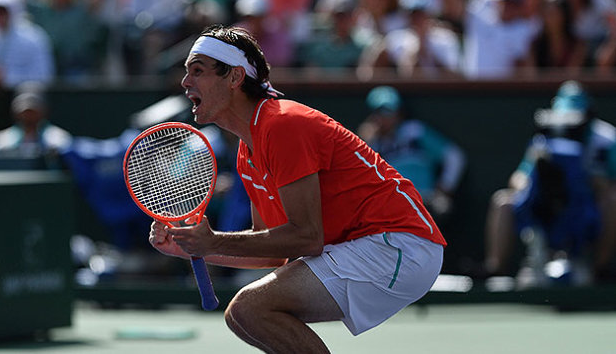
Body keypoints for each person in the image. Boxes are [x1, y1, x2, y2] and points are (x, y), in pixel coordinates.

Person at [148, 25, 445, 352]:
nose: (185, 81)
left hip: (400, 245)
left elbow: (307, 238)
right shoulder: (248, 153)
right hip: (376, 246)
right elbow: (272, 251)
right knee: (243, 316)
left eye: (198, 71)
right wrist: (189, 246)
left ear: (234, 78)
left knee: (251, 308)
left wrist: (213, 240)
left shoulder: (282, 125)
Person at [484, 81, 616, 287]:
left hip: (586, 205)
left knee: (612, 200)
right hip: (544, 203)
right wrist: (530, 184)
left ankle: (601, 270)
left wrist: (596, 183)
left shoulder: (606, 139)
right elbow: (518, 177)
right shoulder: (544, 138)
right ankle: (496, 271)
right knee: (503, 201)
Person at [357, 85, 466, 222]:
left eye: (390, 111)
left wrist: (445, 187)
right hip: (390, 201)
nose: (385, 118)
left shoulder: (415, 131)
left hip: (425, 198)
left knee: (441, 206)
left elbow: (454, 157)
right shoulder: (370, 142)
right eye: (380, 112)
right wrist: (366, 143)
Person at [0, 83, 72, 164]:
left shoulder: (59, 138)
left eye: (33, 112)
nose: (28, 116)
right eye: (24, 112)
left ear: (44, 111)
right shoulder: (0, 139)